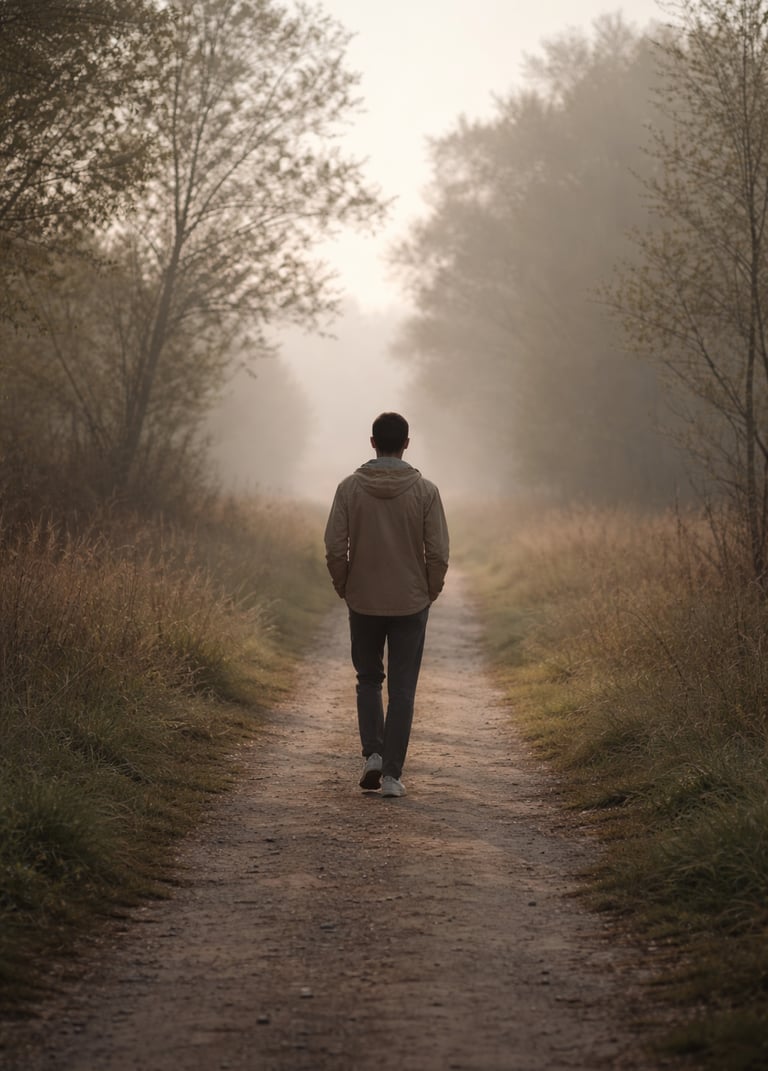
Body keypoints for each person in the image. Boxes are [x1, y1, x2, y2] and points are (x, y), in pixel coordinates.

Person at [324, 412, 449, 798]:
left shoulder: (348, 489)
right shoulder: (426, 491)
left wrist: (346, 586)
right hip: (410, 602)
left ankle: (373, 754)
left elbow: (334, 547)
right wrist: (429, 591)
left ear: (372, 442)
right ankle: (393, 776)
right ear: (406, 444)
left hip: (363, 600)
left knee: (367, 680)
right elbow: (438, 552)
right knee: (403, 690)